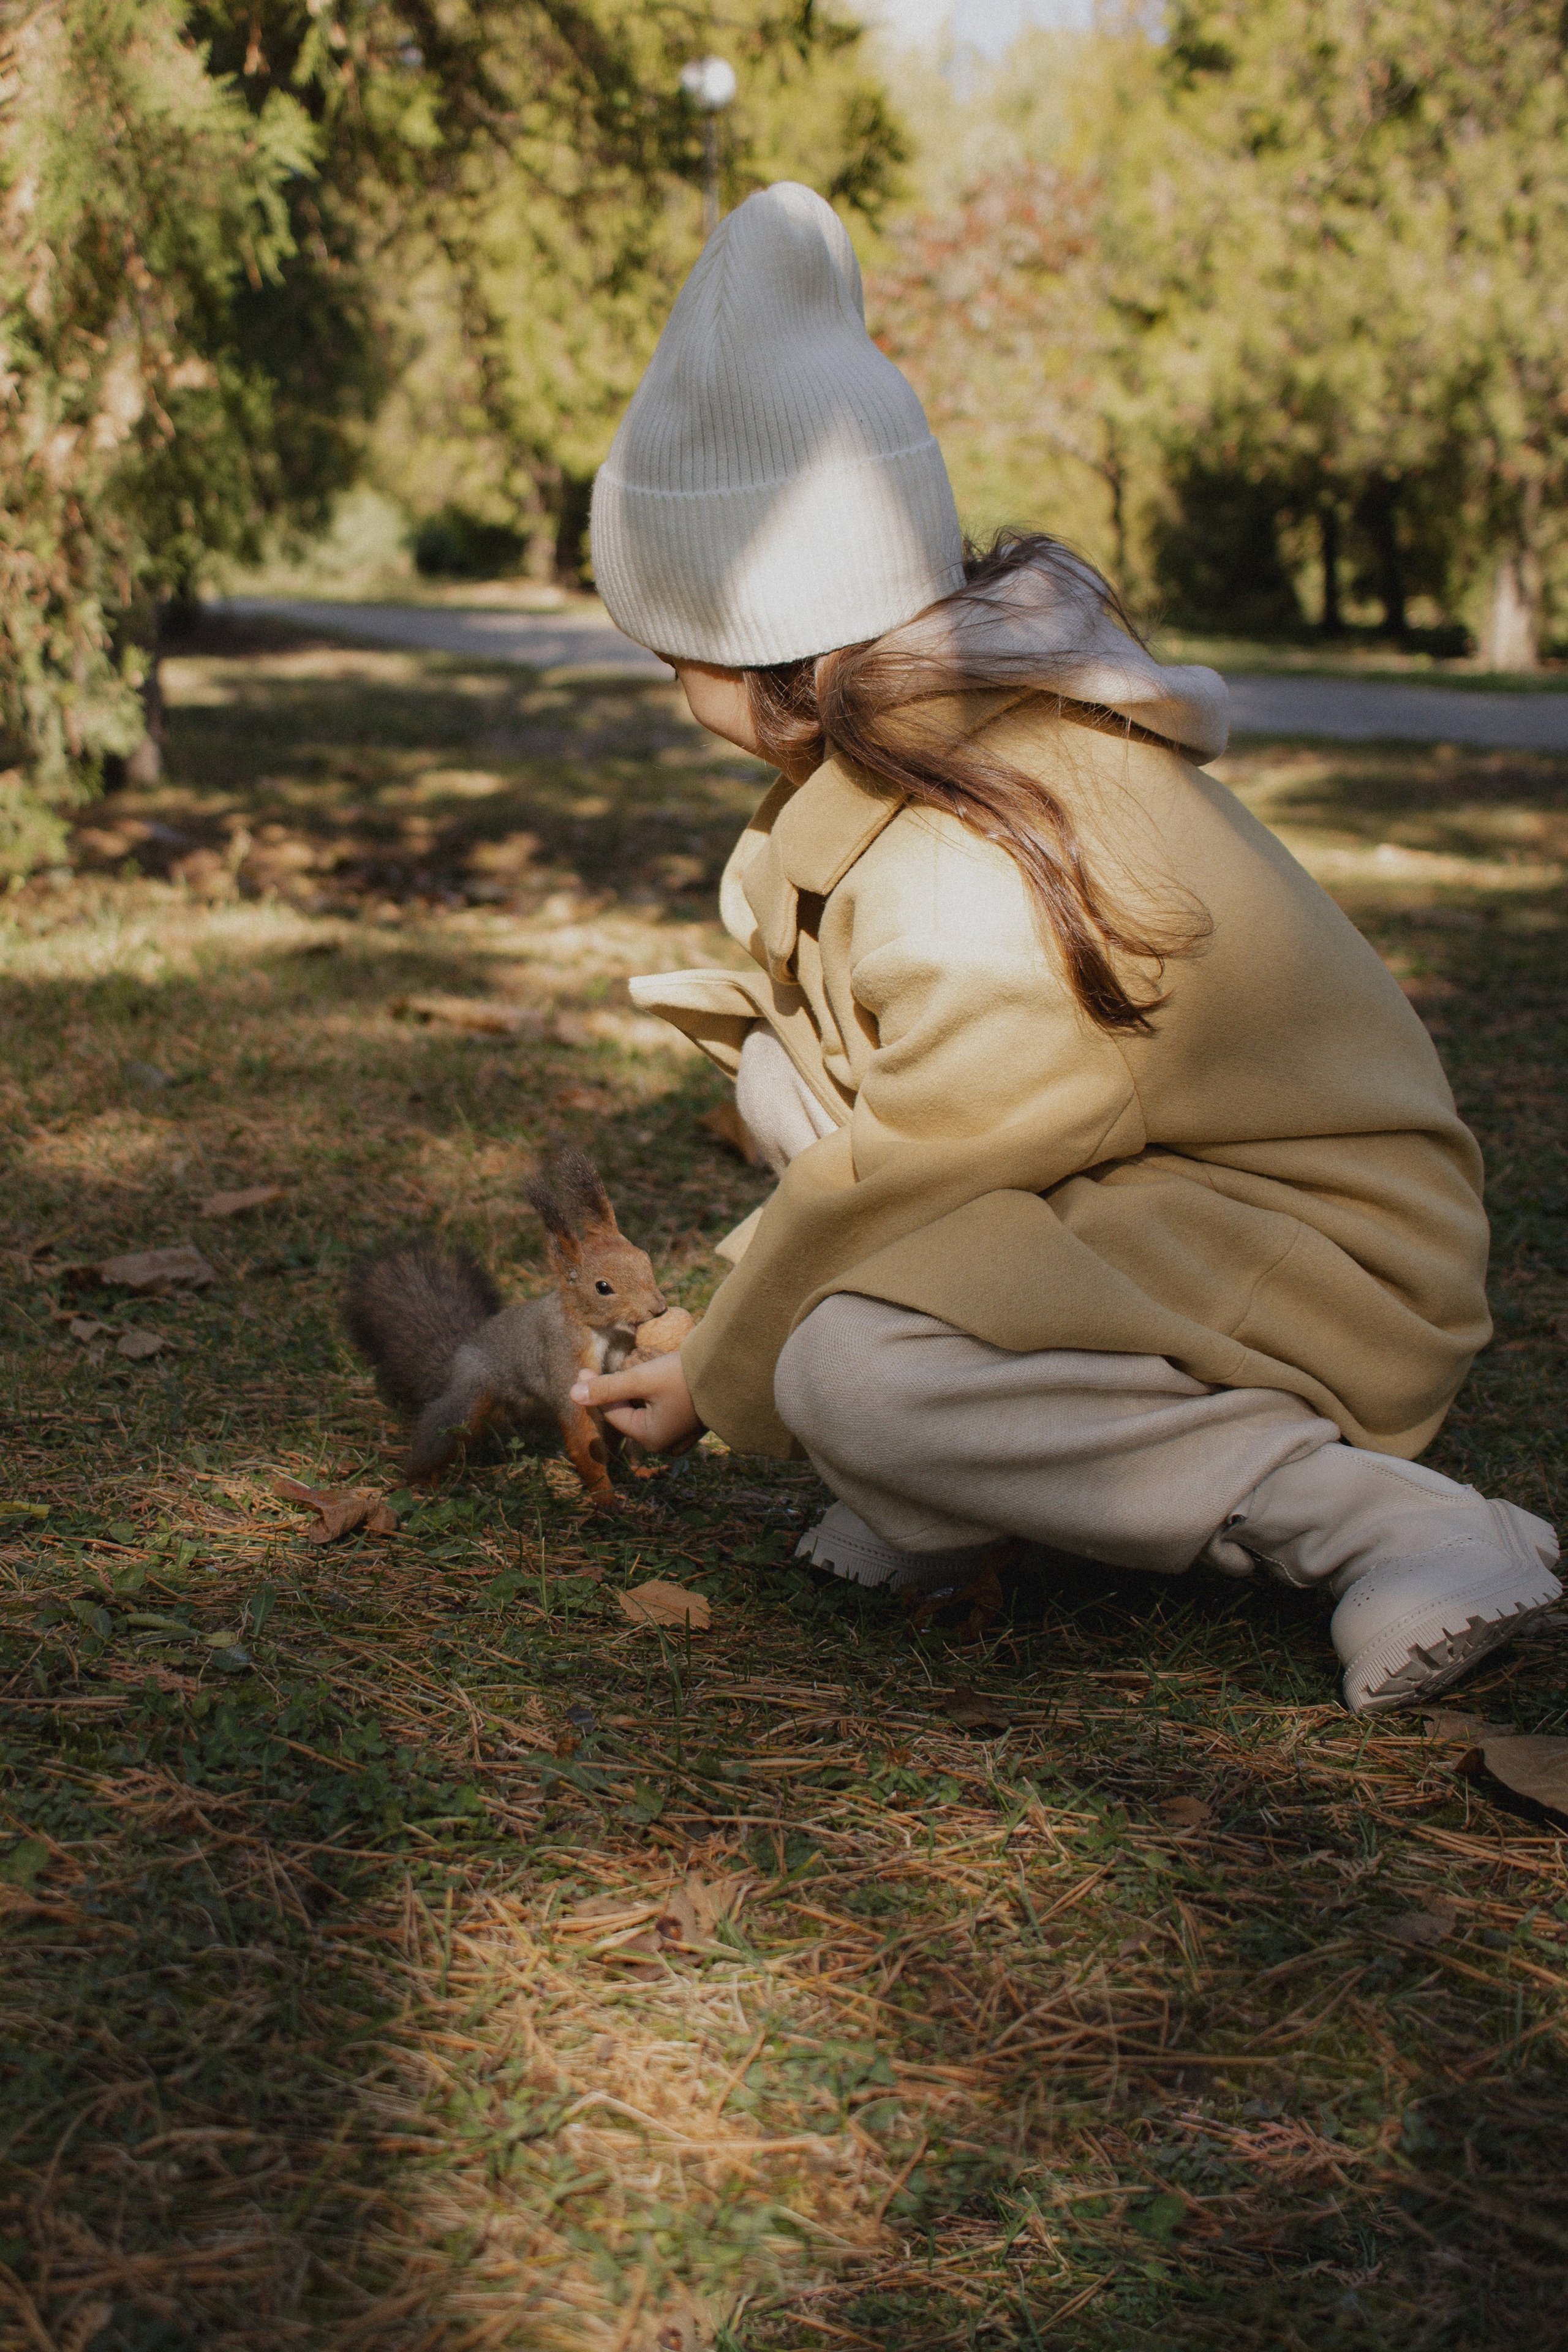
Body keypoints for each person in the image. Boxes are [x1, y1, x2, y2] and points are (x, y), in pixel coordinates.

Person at [570, 181, 1560, 1714]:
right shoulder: (912, 759)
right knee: (782, 1080)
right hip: (1157, 1203)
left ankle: (1397, 1528)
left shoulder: (973, 857)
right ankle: (965, 1486)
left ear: (740, 629)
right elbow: (896, 1130)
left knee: (849, 1368)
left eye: (662, 634)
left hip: (1318, 1259)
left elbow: (906, 1169)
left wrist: (719, 1362)